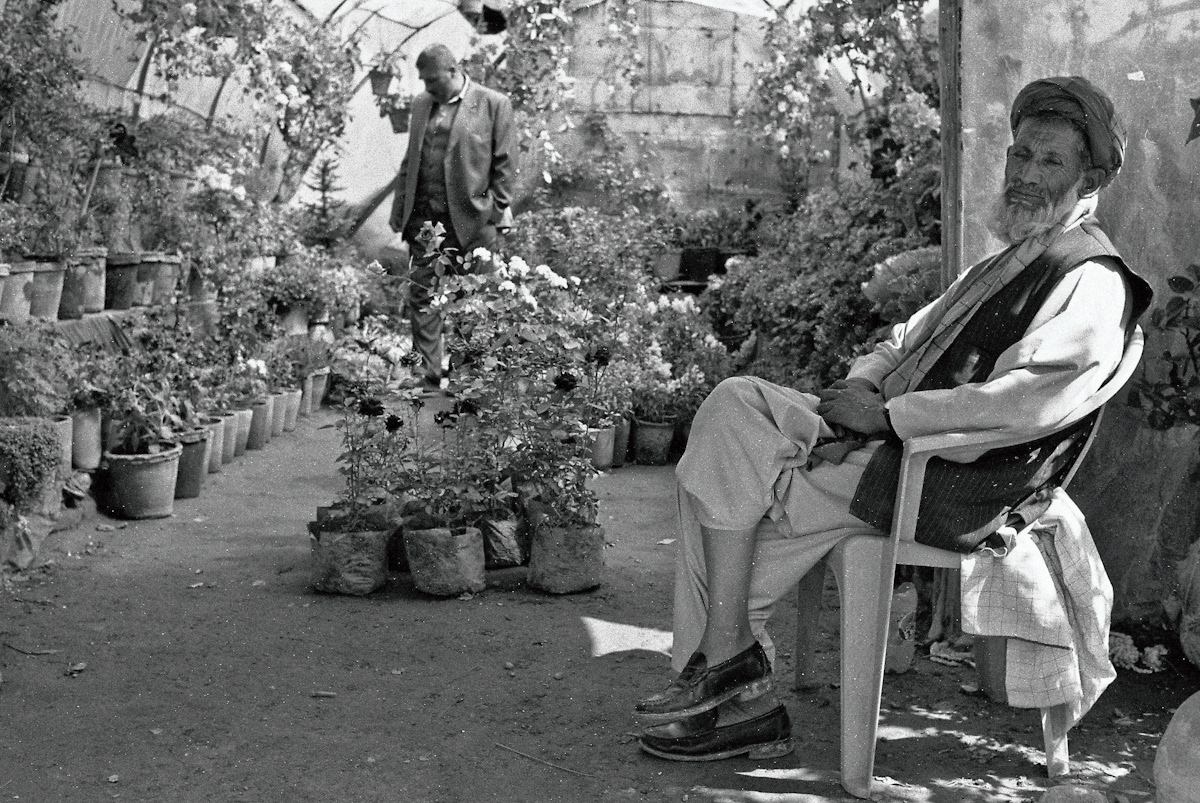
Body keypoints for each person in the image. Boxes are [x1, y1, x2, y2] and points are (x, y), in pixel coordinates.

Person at [634, 76, 1153, 762]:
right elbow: (902, 340)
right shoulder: (1008, 261)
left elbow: (1025, 403)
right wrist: (862, 390)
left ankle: (735, 682)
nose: (1025, 172)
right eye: (1019, 154)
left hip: (954, 478)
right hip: (894, 443)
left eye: (1048, 160)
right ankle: (733, 666)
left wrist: (888, 416)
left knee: (736, 485)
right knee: (733, 410)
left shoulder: (1091, 279)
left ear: (1089, 178)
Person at [389, 44, 515, 392]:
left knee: (468, 301)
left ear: (453, 70)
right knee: (422, 297)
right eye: (423, 81)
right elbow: (410, 160)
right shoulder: (420, 105)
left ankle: (463, 381)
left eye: (431, 80)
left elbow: (505, 165)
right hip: (424, 222)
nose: (426, 86)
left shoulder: (493, 104)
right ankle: (426, 376)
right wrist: (400, 210)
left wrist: (494, 211)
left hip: (472, 223)